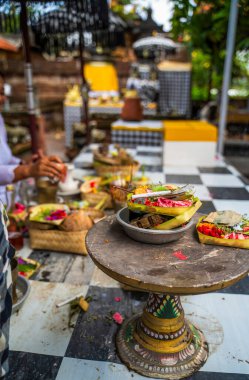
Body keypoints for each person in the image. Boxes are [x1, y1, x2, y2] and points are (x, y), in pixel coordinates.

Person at [0, 72, 64, 199]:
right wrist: (27, 170)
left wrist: (26, 163)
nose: (3, 99)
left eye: (3, 92)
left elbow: (5, 157)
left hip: (9, 198)